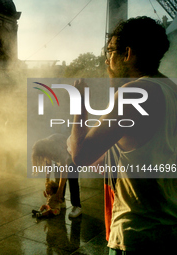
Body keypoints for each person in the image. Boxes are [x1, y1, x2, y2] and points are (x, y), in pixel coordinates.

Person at [68, 16, 177, 254]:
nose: (107, 59)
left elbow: (80, 156)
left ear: (127, 53)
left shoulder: (134, 93)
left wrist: (79, 103)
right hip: (169, 227)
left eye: (110, 51)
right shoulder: (171, 89)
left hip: (136, 232)